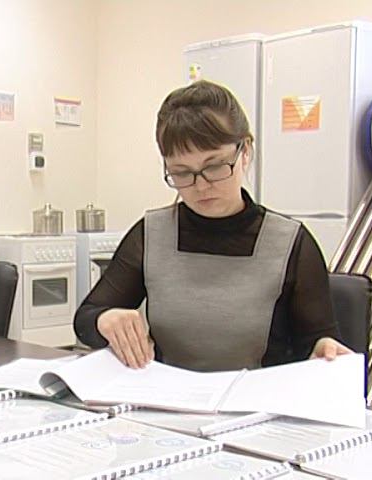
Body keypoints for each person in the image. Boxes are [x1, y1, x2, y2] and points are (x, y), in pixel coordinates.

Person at [74, 79, 352, 371]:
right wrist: (104, 320)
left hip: (257, 396)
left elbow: (317, 341)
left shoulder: (290, 243)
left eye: (215, 166)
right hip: (170, 396)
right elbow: (86, 318)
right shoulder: (151, 235)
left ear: (245, 151)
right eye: (182, 173)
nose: (201, 186)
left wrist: (324, 349)